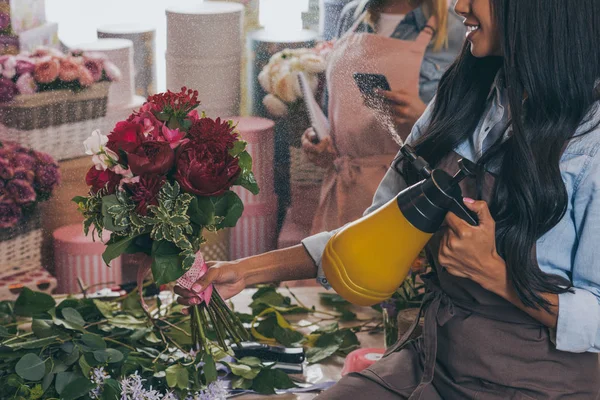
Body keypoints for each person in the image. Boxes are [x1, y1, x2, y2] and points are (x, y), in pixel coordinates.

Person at [177, 0, 600, 397]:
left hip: (543, 385)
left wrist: (496, 276)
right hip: (435, 362)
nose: (459, 6)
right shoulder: (466, 97)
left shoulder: (592, 145)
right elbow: (372, 234)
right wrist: (245, 271)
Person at [300, 0, 466, 235]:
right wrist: (320, 140)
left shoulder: (456, 25)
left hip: (404, 196)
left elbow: (469, 130)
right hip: (342, 193)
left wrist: (424, 120)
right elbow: (338, 109)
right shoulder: (352, 15)